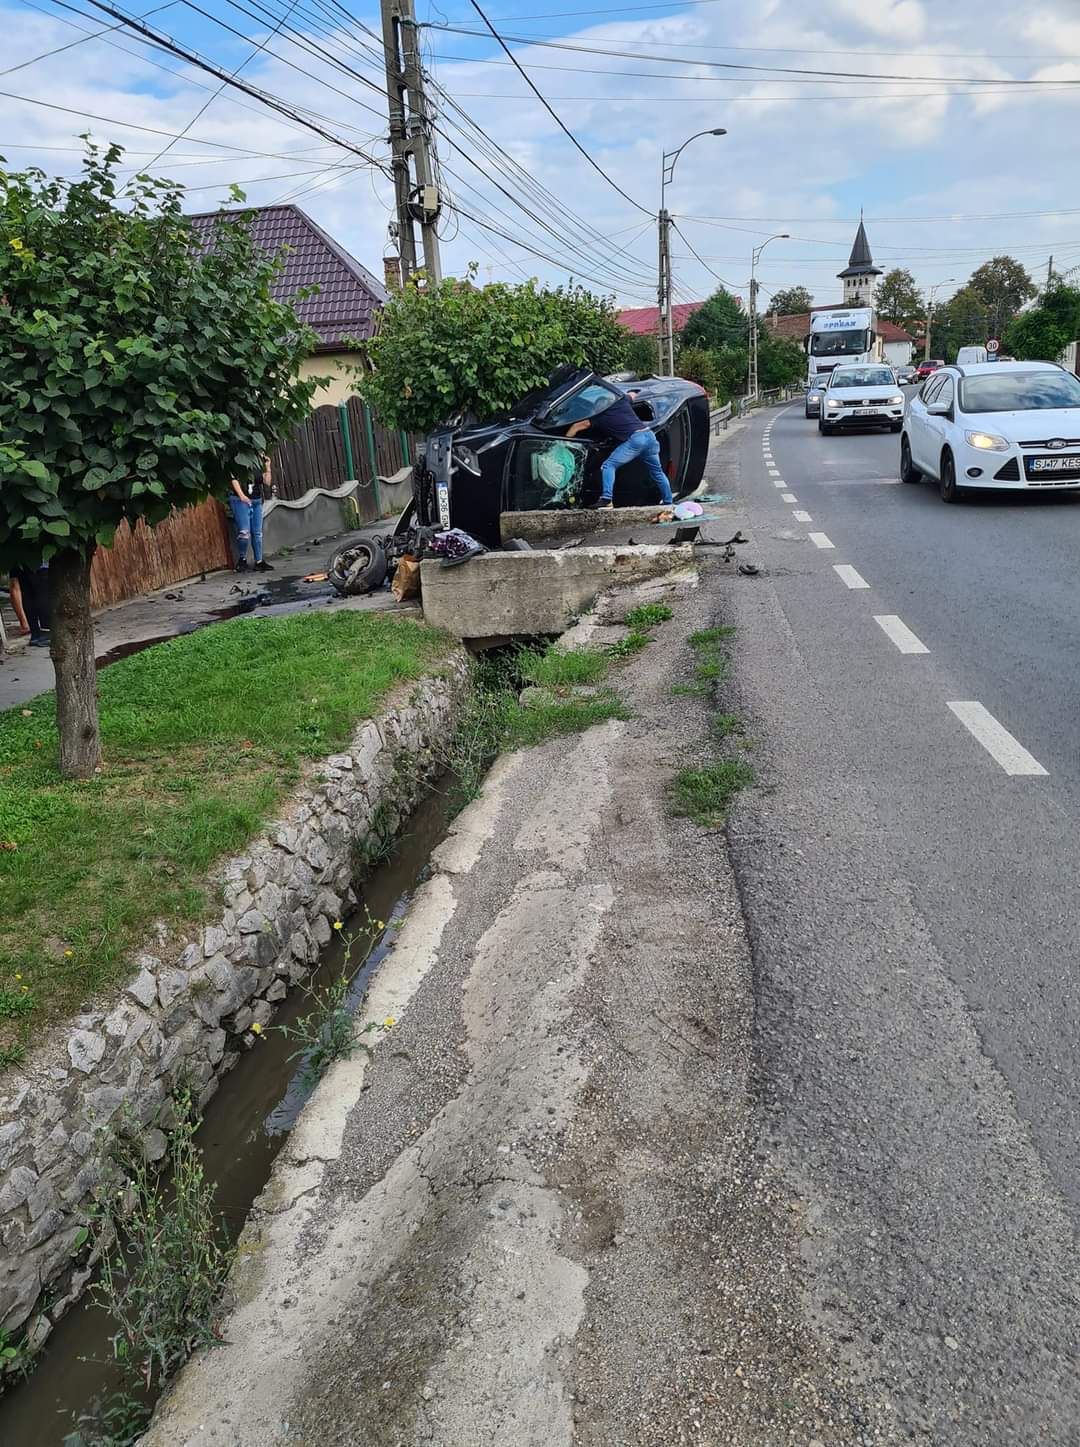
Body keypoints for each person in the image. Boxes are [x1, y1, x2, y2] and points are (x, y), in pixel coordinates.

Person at [566, 390, 674, 509]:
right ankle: (668, 502)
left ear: (597, 409)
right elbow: (632, 395)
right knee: (657, 472)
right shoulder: (622, 401)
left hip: (636, 440)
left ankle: (607, 499)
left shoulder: (599, 417)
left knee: (608, 465)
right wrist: (634, 391)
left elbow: (576, 426)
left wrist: (563, 443)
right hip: (650, 436)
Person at [229, 456, 273, 573]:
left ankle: (259, 561)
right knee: (244, 532)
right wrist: (242, 496)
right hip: (241, 500)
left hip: (256, 500)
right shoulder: (238, 459)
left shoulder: (257, 463)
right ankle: (242, 559)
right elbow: (234, 479)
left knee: (257, 533)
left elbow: (267, 482)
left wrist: (267, 467)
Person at [11, 563, 50, 648]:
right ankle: (46, 632)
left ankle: (35, 634)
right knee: (42, 592)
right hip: (40, 565)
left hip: (19, 563)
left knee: (27, 594)